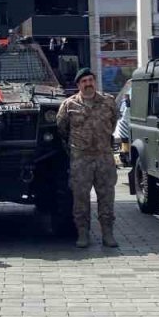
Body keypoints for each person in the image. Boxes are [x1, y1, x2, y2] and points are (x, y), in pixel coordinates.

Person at [57, 68, 119, 248]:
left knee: (106, 197)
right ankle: (83, 234)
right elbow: (62, 129)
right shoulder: (69, 105)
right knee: (80, 199)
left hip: (104, 158)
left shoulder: (108, 101)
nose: (88, 84)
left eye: (90, 80)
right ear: (78, 85)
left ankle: (107, 234)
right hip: (81, 159)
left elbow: (113, 122)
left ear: (94, 82)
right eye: (84, 81)